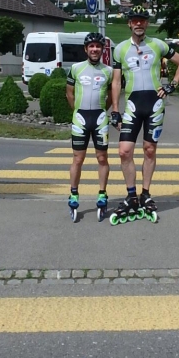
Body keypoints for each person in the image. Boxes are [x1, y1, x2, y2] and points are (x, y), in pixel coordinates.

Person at [109, 7, 179, 222]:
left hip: (154, 105)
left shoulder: (158, 45)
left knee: (149, 150)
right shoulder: (120, 49)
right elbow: (116, 82)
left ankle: (145, 194)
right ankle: (131, 195)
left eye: (142, 20)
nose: (139, 24)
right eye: (135, 20)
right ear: (129, 23)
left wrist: (172, 85)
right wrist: (115, 109)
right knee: (124, 151)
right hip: (132, 106)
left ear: (147, 23)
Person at [65, 33, 113, 220]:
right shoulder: (76, 68)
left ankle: (102, 194)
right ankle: (74, 194)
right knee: (78, 159)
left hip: (99, 118)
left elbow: (111, 96)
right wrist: (77, 111)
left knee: (102, 158)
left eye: (98, 46)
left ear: (102, 50)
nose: (95, 49)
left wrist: (103, 110)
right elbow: (69, 93)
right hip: (80, 118)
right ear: (86, 49)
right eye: (91, 46)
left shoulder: (108, 71)